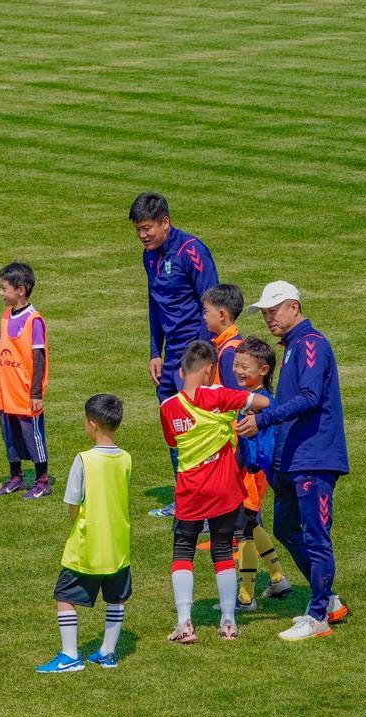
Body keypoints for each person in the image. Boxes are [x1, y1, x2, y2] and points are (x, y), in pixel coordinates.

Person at [236, 281, 349, 641]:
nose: (269, 318)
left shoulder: (312, 344)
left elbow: (310, 397)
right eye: (265, 313)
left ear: (294, 308)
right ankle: (328, 599)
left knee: (316, 536)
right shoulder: (293, 347)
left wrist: (264, 420)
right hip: (292, 460)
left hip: (314, 458)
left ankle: (317, 616)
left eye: (274, 310)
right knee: (285, 528)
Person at [160, 341, 268, 643]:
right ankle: (229, 621)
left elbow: (173, 442)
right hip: (224, 490)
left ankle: (184, 623)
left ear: (182, 372)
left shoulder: (168, 408)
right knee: (222, 551)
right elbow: (260, 403)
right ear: (210, 370)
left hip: (189, 491)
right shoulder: (220, 396)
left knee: (183, 551)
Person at [130, 193, 220, 518]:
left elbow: (212, 303)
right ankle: (185, 499)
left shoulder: (191, 251)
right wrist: (156, 352)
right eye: (138, 229)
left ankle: (210, 506)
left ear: (165, 222)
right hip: (169, 360)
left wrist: (198, 359)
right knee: (174, 424)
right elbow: (154, 304)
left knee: (199, 428)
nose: (142, 235)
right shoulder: (149, 256)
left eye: (147, 228)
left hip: (195, 355)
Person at [36, 394, 132, 673]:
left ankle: (69, 656)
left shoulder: (84, 460)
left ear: (91, 424)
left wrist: (77, 521)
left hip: (87, 543)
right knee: (116, 597)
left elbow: (72, 503)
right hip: (118, 544)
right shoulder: (125, 458)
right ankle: (107, 652)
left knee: (64, 596)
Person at [231, 337, 292, 607]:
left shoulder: (259, 404)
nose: (238, 371)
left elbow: (252, 451)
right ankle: (278, 578)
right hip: (254, 475)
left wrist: (235, 467)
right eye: (236, 365)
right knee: (252, 524)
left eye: (245, 366)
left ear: (263, 371)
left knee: (243, 530)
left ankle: (246, 596)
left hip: (250, 476)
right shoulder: (257, 399)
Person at [0, 262, 51, 499]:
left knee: (33, 437)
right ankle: (15, 477)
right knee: (11, 438)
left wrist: (36, 394)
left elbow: (39, 359)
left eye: (4, 288)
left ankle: (42, 480)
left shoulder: (34, 320)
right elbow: (0, 351)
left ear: (20, 290)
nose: (0, 293)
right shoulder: (5, 316)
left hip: (25, 393)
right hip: (6, 392)